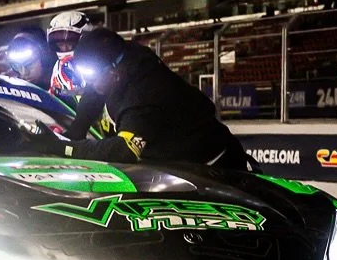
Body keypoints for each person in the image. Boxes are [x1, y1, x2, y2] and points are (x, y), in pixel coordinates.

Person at [59, 26, 250, 169]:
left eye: (92, 77)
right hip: (173, 160)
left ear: (114, 73)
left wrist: (68, 149)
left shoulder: (145, 88)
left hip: (214, 163)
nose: (89, 83)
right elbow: (93, 94)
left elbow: (124, 150)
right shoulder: (118, 57)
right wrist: (73, 133)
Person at [5, 27, 53, 91]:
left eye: (29, 64)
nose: (24, 73)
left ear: (45, 58)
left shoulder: (62, 82)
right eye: (17, 66)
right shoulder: (14, 89)